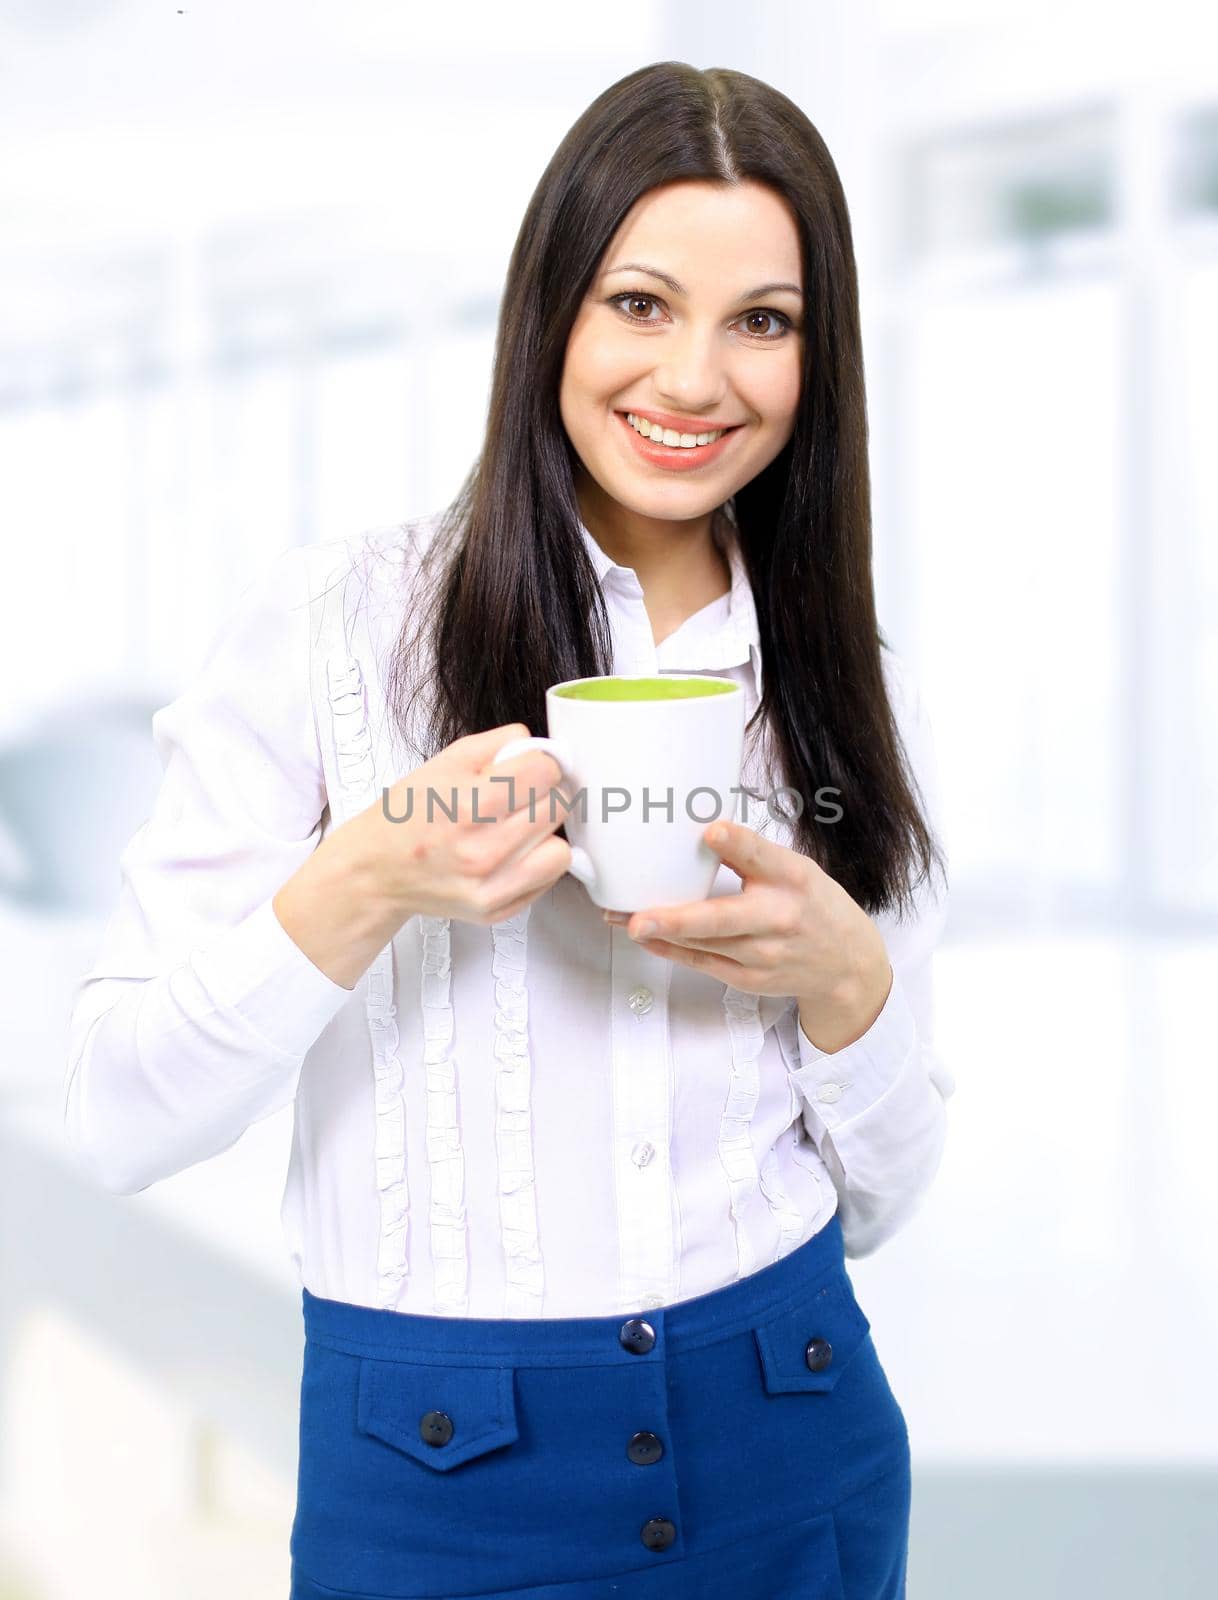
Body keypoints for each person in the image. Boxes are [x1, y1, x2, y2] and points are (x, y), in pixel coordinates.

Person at [64, 60, 953, 1600]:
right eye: (639, 303)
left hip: (793, 1423)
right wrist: (361, 882)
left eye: (764, 322)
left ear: (819, 359)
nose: (693, 381)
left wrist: (846, 984)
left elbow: (880, 1201)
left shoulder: (843, 685)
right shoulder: (339, 633)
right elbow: (119, 1114)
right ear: (550, 310)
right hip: (437, 1469)